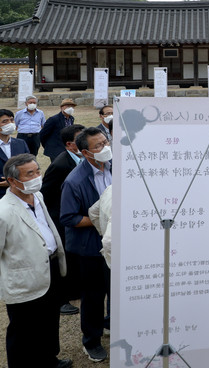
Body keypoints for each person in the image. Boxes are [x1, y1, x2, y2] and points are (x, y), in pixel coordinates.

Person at [0, 154, 72, 368]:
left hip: (50, 269)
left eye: (37, 171)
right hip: (24, 279)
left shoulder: (37, 196)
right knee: (22, 330)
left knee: (49, 321)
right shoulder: (3, 212)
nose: (36, 177)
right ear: (12, 181)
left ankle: (49, 359)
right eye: (29, 174)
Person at [60, 127, 112, 362]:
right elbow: (68, 217)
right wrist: (103, 219)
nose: (105, 147)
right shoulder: (75, 181)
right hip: (90, 248)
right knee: (93, 296)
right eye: (98, 146)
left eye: (105, 141)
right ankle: (91, 341)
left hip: (116, 243)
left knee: (117, 290)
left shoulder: (116, 167)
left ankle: (113, 324)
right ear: (85, 153)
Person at [41, 124, 86, 316]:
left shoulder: (83, 159)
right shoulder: (60, 165)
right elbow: (46, 194)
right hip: (61, 219)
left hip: (76, 217)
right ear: (70, 144)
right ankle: (61, 300)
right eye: (81, 137)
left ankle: (74, 290)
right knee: (63, 260)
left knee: (75, 258)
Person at [0, 109, 30, 198]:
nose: (10, 123)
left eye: (12, 120)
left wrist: (15, 181)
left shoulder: (21, 143)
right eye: (5, 121)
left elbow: (29, 165)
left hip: (20, 192)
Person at [89, 185, 112, 269]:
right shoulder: (129, 197)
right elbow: (108, 241)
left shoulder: (111, 189)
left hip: (108, 257)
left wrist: (103, 231)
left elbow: (93, 212)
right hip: (117, 263)